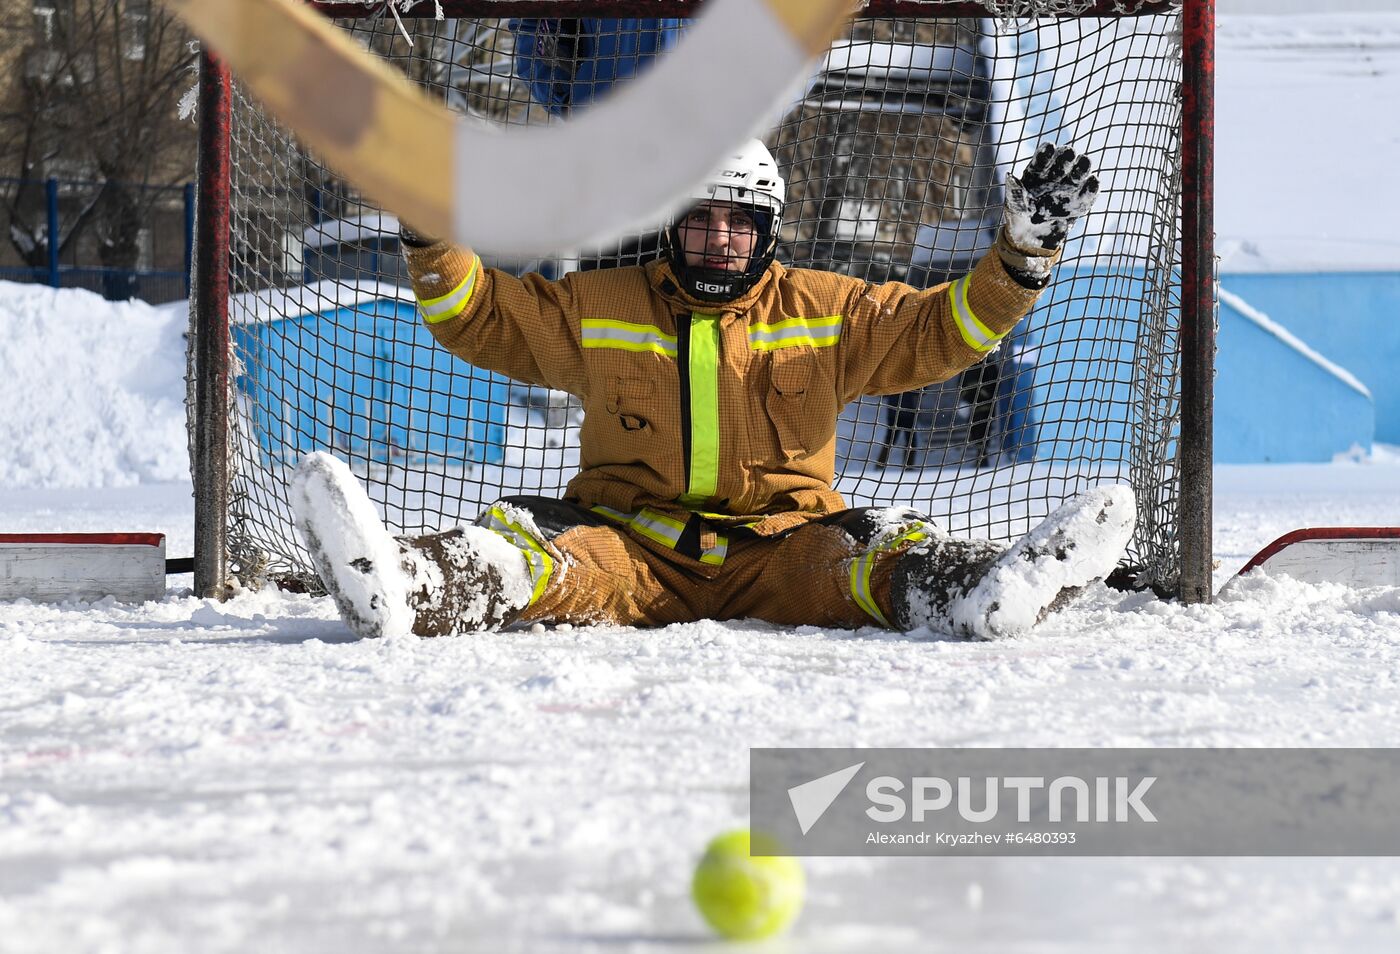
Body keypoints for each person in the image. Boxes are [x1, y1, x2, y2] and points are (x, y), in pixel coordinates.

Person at [290, 140, 1135, 641]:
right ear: (672, 226)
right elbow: (484, 316)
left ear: (768, 231)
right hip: (628, 544)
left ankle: (979, 595)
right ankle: (408, 586)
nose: (719, 240)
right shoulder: (605, 304)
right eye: (700, 220)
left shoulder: (826, 309)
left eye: (740, 223)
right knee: (527, 553)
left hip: (786, 547)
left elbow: (939, 330)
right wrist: (431, 238)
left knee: (874, 556)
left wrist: (1022, 257)